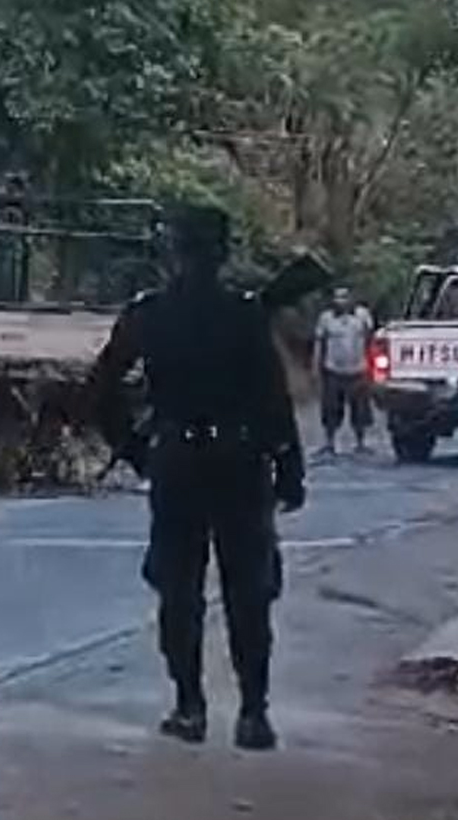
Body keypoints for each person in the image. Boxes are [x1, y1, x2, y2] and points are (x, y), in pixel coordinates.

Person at [89, 204, 306, 751]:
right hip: (239, 462)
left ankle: (189, 707)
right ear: (224, 253)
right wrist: (289, 469)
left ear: (172, 252)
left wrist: (136, 449)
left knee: (178, 591)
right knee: (249, 594)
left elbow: (98, 392)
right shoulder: (245, 314)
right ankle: (253, 714)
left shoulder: (148, 315)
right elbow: (274, 400)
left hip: (177, 464)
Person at [313, 287, 375, 457]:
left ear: (352, 299)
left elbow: (371, 340)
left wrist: (372, 366)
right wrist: (316, 366)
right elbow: (320, 343)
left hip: (358, 369)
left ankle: (361, 443)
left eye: (345, 297)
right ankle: (329, 443)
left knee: (360, 409)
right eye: (338, 297)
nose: (341, 301)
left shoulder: (363, 316)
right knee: (330, 408)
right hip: (333, 369)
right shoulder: (326, 318)